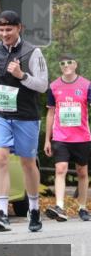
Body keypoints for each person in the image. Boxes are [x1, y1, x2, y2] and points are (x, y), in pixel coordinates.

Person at [0, 10, 49, 232]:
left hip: (25, 115)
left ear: (19, 28)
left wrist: (22, 76)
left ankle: (35, 208)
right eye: (1, 30)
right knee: (0, 157)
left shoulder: (33, 52)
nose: (4, 34)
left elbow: (43, 85)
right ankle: (2, 213)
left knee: (28, 163)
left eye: (9, 29)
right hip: (0, 113)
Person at [43, 53, 90, 222]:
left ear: (75, 64)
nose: (66, 65)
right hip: (60, 137)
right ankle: (60, 207)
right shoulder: (54, 86)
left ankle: (82, 208)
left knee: (82, 172)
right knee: (60, 169)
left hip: (82, 137)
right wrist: (47, 139)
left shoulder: (86, 85)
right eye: (63, 63)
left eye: (69, 62)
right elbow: (50, 113)